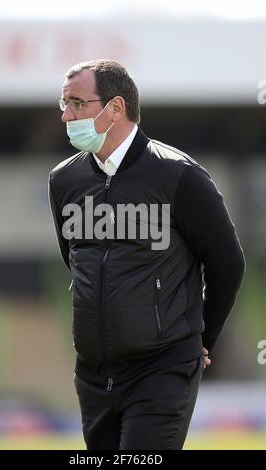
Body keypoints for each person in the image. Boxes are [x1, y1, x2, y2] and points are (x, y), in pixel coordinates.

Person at [48, 59, 245, 450]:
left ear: (115, 108)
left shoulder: (179, 176)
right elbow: (76, 260)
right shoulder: (64, 180)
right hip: (93, 373)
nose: (67, 115)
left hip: (162, 367)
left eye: (78, 103)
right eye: (63, 104)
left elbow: (227, 262)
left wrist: (203, 335)